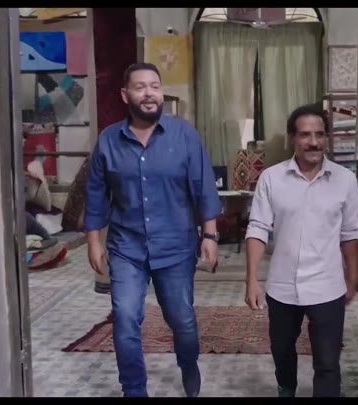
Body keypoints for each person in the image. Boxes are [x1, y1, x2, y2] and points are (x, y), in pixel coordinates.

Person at [83, 62, 221, 398]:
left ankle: (188, 363)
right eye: (140, 87)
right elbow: (96, 194)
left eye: (155, 87)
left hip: (175, 246)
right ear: (125, 94)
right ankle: (134, 390)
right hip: (125, 247)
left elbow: (203, 186)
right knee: (125, 317)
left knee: (182, 320)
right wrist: (93, 241)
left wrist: (210, 234)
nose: (149, 94)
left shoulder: (183, 135)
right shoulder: (109, 140)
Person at [244, 103, 358, 397]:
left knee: (328, 363)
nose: (313, 142)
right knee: (282, 349)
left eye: (320, 134)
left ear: (327, 138)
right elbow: (258, 228)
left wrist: (353, 277)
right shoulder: (272, 178)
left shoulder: (345, 180)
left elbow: (350, 233)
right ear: (292, 138)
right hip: (283, 286)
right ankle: (286, 387)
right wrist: (251, 279)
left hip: (327, 286)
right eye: (306, 135)